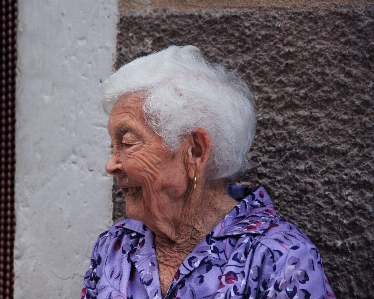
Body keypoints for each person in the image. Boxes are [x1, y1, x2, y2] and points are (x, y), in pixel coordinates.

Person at [81, 45, 336, 299]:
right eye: (112, 146)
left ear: (194, 151)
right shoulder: (115, 246)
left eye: (127, 143)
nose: (111, 165)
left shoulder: (282, 260)